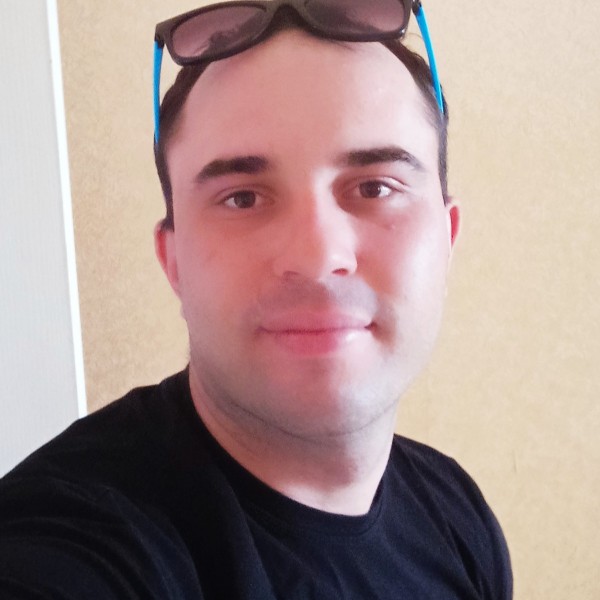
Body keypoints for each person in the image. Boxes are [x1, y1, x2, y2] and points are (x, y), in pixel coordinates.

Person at [0, 1, 512, 598]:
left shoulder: (455, 514)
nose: (317, 256)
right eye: (242, 197)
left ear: (446, 240)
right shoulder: (73, 542)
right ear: (173, 261)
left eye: (375, 187)